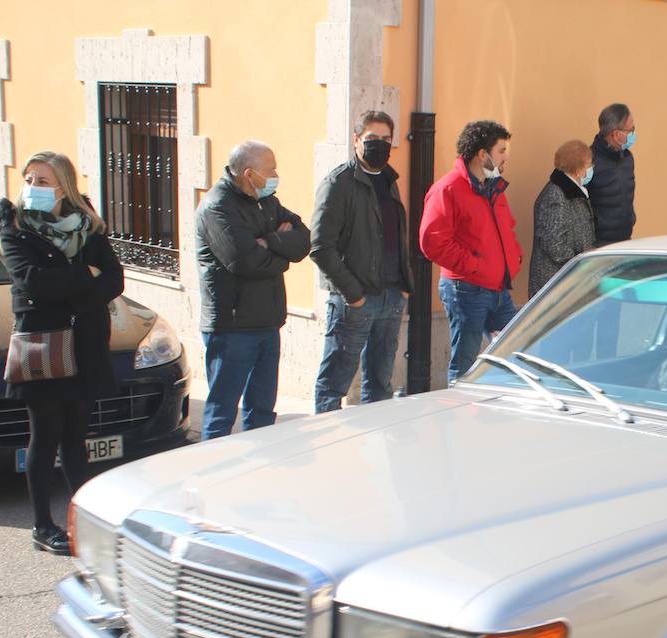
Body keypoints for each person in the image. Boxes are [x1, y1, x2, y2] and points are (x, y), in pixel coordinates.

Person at [0, 151, 122, 554]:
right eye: (29, 179)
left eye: (44, 181)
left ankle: (82, 519)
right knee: (45, 436)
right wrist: (85, 275)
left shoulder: (88, 226)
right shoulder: (14, 227)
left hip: (84, 343)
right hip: (43, 347)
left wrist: (70, 291)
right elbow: (33, 283)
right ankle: (41, 526)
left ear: (64, 187)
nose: (33, 188)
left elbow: (115, 280)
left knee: (76, 437)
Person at [195, 140, 310, 439]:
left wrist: (269, 241)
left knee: (262, 411)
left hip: (268, 322)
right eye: (270, 169)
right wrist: (280, 253)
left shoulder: (267, 202)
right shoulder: (217, 207)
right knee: (222, 413)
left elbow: (303, 240)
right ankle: (215, 476)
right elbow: (244, 261)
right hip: (232, 327)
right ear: (249, 173)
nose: (275, 175)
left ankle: (258, 473)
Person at [311, 110, 416, 412]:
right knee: (334, 384)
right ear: (356, 140)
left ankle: (375, 447)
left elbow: (397, 234)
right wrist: (353, 294)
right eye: (372, 138)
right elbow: (320, 246)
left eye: (386, 139)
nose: (380, 145)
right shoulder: (338, 183)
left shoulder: (389, 181)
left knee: (380, 384)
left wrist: (404, 285)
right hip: (354, 301)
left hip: (392, 297)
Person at [420, 119, 523, 384]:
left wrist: (514, 258)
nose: (505, 157)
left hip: (498, 289)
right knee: (465, 365)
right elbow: (433, 241)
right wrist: (474, 266)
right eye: (501, 151)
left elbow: (506, 229)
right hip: (466, 289)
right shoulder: (448, 188)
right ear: (482, 154)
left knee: (517, 353)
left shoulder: (495, 188)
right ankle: (457, 419)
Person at [530, 139, 595, 294]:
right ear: (578, 169)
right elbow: (554, 245)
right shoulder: (557, 195)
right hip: (555, 283)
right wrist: (580, 261)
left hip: (569, 280)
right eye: (589, 164)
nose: (592, 168)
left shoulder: (573, 191)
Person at [588, 103, 637, 247]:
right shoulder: (589, 161)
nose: (633, 134)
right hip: (599, 244)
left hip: (625, 239)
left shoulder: (628, 158)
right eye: (631, 130)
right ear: (616, 134)